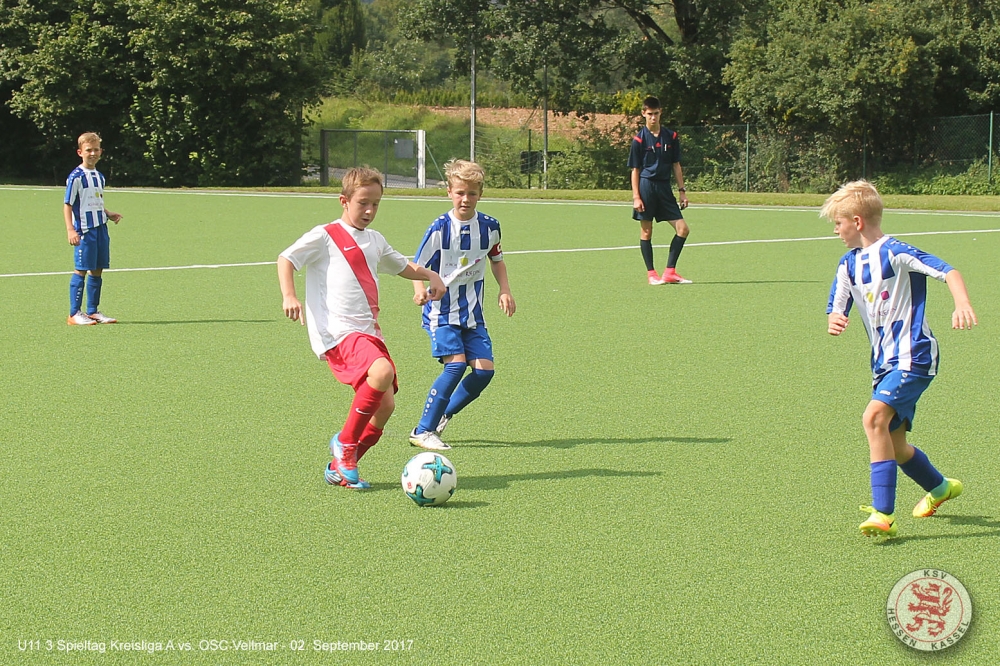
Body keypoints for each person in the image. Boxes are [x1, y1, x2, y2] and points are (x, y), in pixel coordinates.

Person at [823, 180, 977, 538]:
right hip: (883, 364)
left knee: (873, 418)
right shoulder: (848, 264)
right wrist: (834, 318)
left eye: (838, 223)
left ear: (857, 222)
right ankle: (941, 487)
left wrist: (962, 303)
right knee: (895, 446)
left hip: (914, 354)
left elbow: (948, 271)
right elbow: (837, 304)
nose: (835, 230)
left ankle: (884, 514)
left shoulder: (896, 252)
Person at [277, 166, 446, 489]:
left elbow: (403, 266)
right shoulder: (326, 235)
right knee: (381, 372)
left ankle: (339, 466)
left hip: (368, 332)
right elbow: (286, 258)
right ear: (344, 201)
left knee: (385, 407)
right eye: (363, 203)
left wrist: (430, 275)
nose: (369, 210)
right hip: (338, 331)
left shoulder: (375, 240)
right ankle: (345, 443)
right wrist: (289, 295)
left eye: (376, 204)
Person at [408, 159, 515, 451]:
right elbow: (416, 266)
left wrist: (504, 289)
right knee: (455, 366)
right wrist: (419, 291)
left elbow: (497, 260)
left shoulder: (490, 227)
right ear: (449, 192)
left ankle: (442, 414)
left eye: (471, 193)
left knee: (484, 372)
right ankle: (422, 430)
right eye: (459, 193)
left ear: (480, 194)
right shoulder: (440, 228)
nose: (465, 199)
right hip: (441, 312)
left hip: (472, 314)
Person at [628, 96, 691, 285]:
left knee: (683, 229)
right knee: (646, 231)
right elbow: (635, 170)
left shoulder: (671, 136)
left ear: (660, 112)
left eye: (656, 113)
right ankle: (651, 274)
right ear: (643, 114)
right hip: (646, 187)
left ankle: (670, 272)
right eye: (649, 114)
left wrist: (682, 191)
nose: (653, 117)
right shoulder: (639, 140)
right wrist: (636, 196)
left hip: (664, 188)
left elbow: (676, 165)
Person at [64, 132, 123, 325]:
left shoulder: (99, 176)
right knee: (81, 269)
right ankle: (74, 313)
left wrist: (108, 213)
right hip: (85, 230)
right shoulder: (76, 176)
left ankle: (93, 311)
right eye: (88, 150)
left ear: (101, 152)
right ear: (80, 152)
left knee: (98, 269)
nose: (93, 153)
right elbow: (68, 204)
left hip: (101, 229)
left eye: (96, 149)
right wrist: (71, 230)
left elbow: (95, 202)